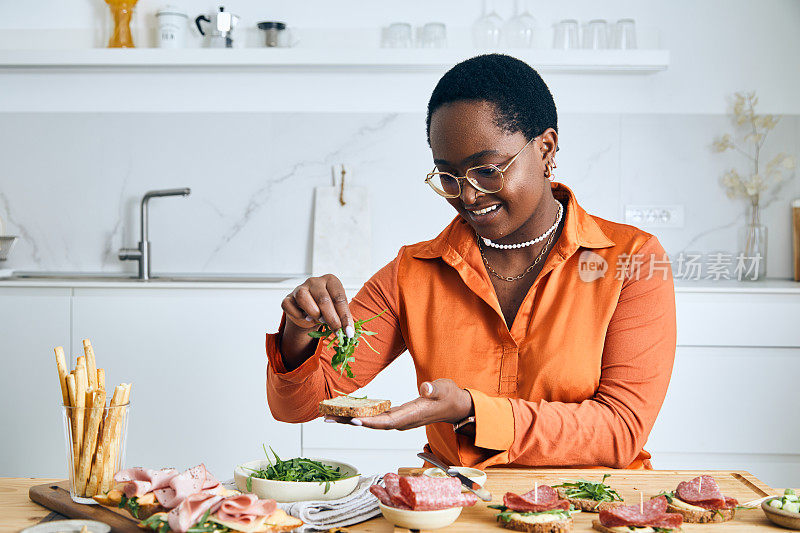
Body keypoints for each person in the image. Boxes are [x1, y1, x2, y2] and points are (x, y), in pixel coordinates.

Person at [266, 54, 676, 469]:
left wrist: (471, 411)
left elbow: (621, 429)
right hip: (448, 509)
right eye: (448, 177)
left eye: (487, 170)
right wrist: (300, 333)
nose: (469, 196)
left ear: (546, 148)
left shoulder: (632, 259)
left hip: (589, 510)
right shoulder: (413, 272)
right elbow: (300, 407)